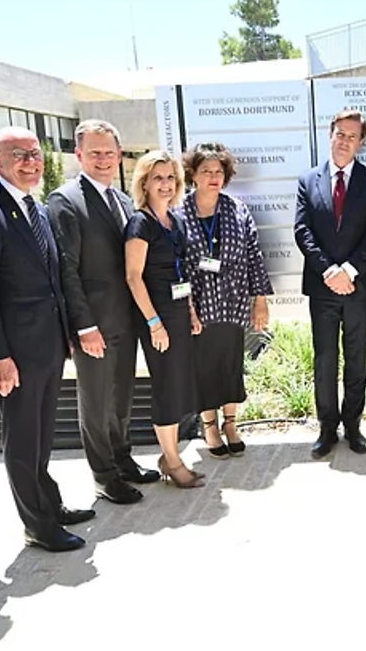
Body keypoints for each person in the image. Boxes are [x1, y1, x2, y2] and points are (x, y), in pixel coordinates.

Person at [0, 127, 95, 554]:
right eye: (18, 154)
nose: (30, 162)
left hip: (48, 345)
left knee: (40, 436)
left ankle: (50, 506)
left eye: (35, 154)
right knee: (21, 441)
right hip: (16, 353)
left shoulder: (34, 208)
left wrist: (66, 333)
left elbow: (53, 279)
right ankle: (37, 525)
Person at [48, 120, 159, 506]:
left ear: (119, 155)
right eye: (94, 152)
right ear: (79, 154)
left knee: (121, 396)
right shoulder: (65, 201)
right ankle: (103, 476)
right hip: (94, 324)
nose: (103, 159)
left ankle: (122, 459)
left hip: (126, 320)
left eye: (109, 152)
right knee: (96, 402)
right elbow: (66, 270)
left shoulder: (124, 201)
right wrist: (83, 326)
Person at [294, 109, 366, 459]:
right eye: (340, 134)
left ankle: (353, 425)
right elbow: (303, 231)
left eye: (352, 136)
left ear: (361, 142)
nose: (345, 141)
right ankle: (327, 427)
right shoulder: (308, 180)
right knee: (325, 359)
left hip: (359, 288)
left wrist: (349, 270)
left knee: (356, 359)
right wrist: (330, 271)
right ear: (330, 134)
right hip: (322, 288)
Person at [179, 142, 273, 458]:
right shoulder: (179, 212)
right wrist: (187, 308)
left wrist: (260, 300)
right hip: (198, 306)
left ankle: (231, 424)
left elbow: (254, 256)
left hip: (233, 303)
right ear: (193, 174)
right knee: (204, 369)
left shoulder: (236, 209)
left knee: (231, 366)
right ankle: (210, 427)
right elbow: (176, 266)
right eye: (206, 171)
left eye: (218, 171)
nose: (213, 177)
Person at [123, 150, 206, 488]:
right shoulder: (140, 223)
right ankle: (172, 461)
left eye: (170, 177)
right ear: (144, 182)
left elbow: (182, 271)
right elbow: (133, 277)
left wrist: (191, 312)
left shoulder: (176, 220)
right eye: (158, 177)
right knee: (166, 387)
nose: (166, 184)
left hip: (178, 314)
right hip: (155, 317)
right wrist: (154, 323)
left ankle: (168, 456)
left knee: (177, 385)